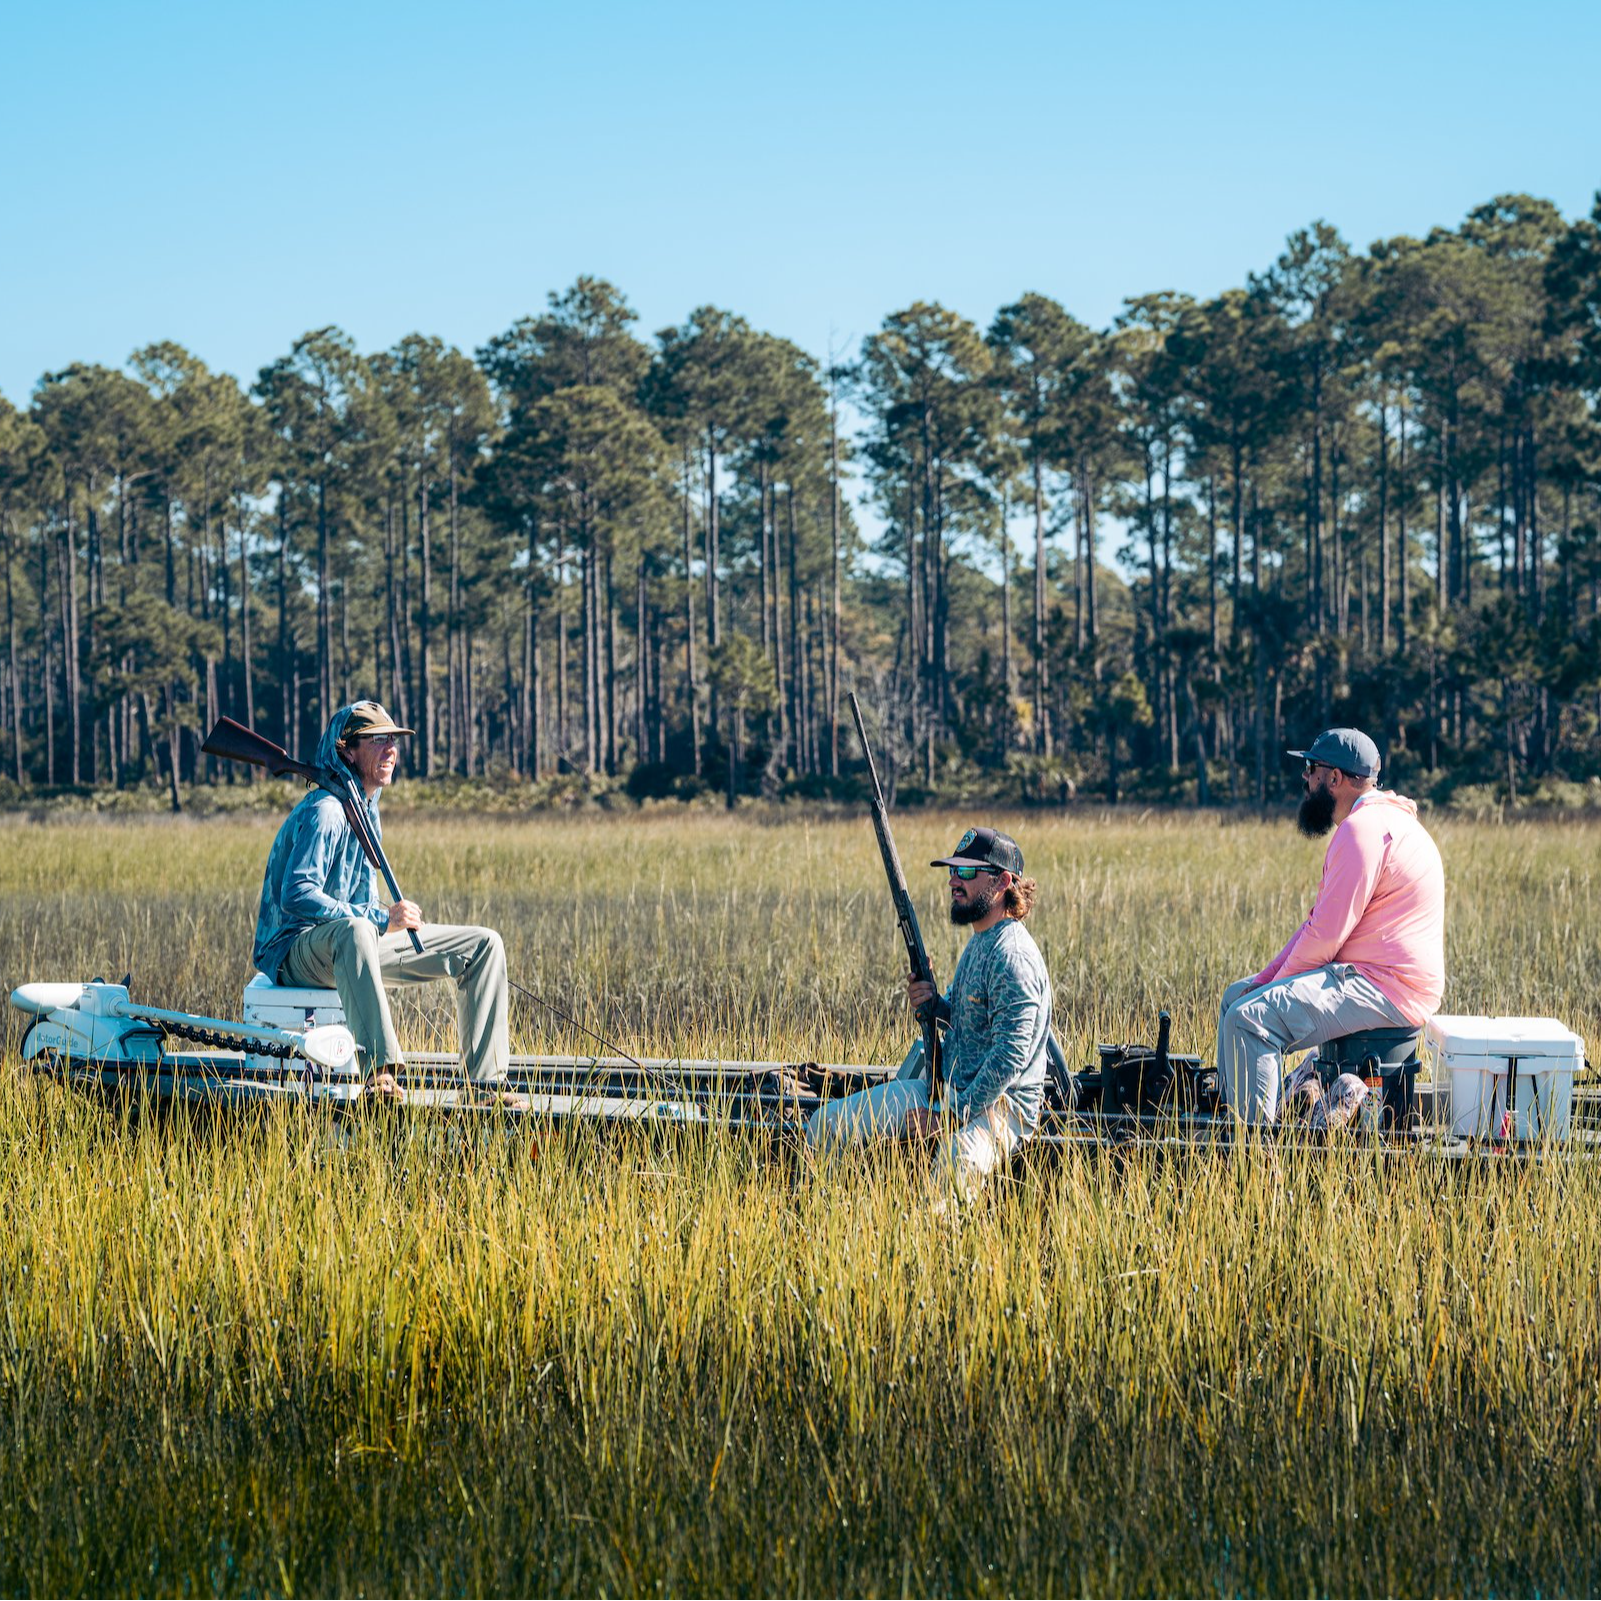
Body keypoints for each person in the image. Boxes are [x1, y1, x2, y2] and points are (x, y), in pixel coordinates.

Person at [251, 700, 520, 1107]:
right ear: (347, 751)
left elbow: (357, 900)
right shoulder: (326, 811)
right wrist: (381, 917)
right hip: (293, 951)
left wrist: (380, 917)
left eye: (393, 740)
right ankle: (380, 1076)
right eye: (378, 741)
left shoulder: (365, 809)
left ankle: (485, 1088)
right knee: (359, 929)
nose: (391, 749)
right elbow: (297, 894)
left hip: (350, 944)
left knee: (482, 945)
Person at [805, 826, 1052, 1197]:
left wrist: (947, 1119)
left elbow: (1009, 1056)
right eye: (952, 871)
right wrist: (934, 1004)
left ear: (1003, 881)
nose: (954, 880)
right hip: (945, 1090)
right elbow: (967, 1023)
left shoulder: (1011, 956)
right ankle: (817, 1214)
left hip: (1002, 1109)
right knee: (828, 1124)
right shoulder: (980, 943)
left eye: (967, 872)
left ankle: (939, 1248)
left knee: (957, 1162)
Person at [1215, 727, 1445, 1125]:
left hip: (1385, 987)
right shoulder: (1385, 822)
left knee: (1248, 1019)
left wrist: (1268, 991)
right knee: (1236, 997)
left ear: (1334, 778)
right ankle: (1229, 1115)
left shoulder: (1362, 832)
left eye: (1310, 769)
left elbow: (1324, 938)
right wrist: (1266, 981)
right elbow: (1317, 925)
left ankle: (1252, 1154)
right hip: (1378, 979)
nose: (1305, 778)